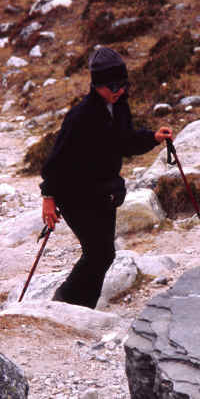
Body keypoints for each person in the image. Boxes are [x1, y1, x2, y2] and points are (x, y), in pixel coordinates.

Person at [39, 46, 173, 309]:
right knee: (99, 253)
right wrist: (48, 197)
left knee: (103, 255)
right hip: (74, 195)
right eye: (111, 86)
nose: (117, 91)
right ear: (96, 85)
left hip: (104, 194)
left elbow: (126, 142)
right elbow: (55, 162)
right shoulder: (79, 117)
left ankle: (81, 308)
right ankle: (64, 303)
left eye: (121, 84)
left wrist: (153, 138)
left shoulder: (119, 108)